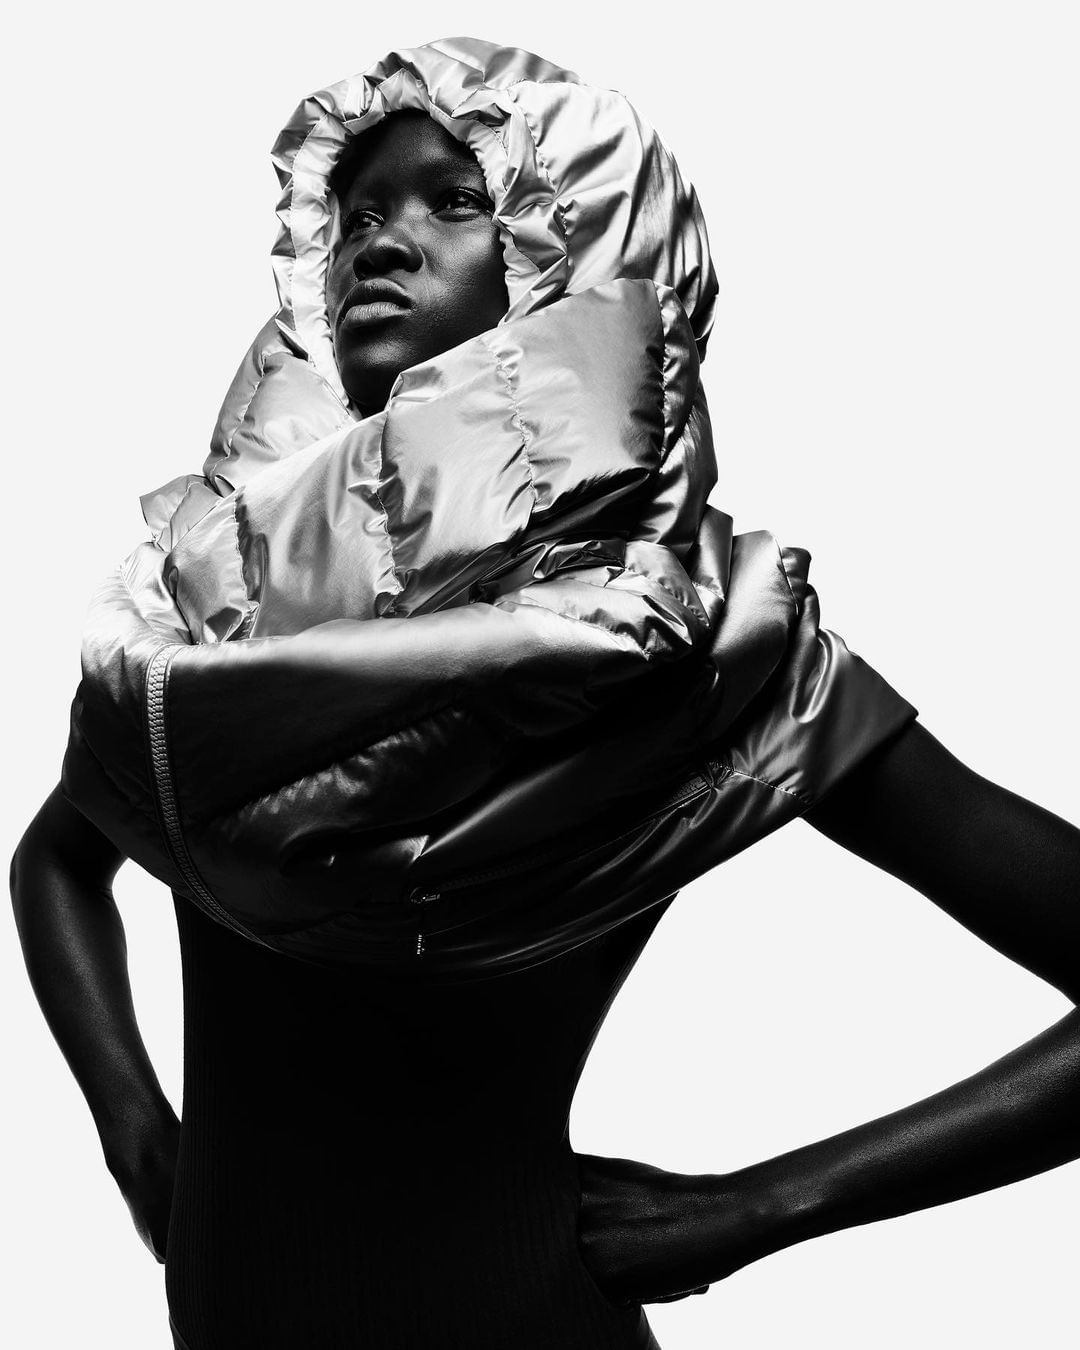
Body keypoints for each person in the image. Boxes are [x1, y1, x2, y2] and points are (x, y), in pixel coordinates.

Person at [10, 38, 1080, 1350]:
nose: (378, 240)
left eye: (456, 200)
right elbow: (57, 859)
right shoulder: (220, 614)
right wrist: (134, 1137)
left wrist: (762, 1206)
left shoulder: (713, 654)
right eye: (357, 210)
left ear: (576, 255)